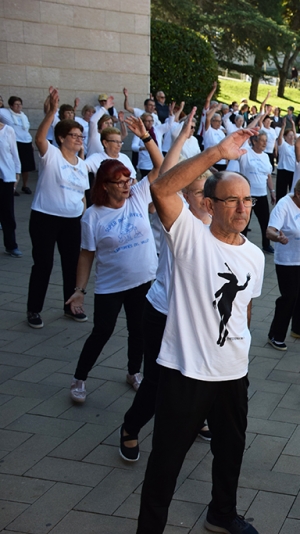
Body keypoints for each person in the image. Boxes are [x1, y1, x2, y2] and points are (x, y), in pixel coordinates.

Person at [137, 123, 264, 534]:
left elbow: (245, 309)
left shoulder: (256, 256)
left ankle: (221, 514)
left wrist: (238, 348)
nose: (243, 209)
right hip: (185, 371)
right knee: (166, 462)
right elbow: (161, 189)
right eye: (232, 201)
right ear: (209, 205)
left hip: (232, 373)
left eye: (248, 201)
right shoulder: (189, 235)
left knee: (231, 451)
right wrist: (218, 151)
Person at [119, 112, 211, 462]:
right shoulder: (176, 219)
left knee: (198, 375)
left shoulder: (214, 223)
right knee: (157, 383)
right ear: (183, 196)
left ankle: (199, 418)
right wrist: (154, 141)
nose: (208, 199)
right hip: (162, 312)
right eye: (201, 192)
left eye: (209, 193)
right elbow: (164, 175)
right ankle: (130, 426)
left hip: (197, 316)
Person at [67, 116, 163, 403]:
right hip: (111, 287)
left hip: (143, 281)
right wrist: (79, 291)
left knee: (139, 331)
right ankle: (79, 378)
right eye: (119, 182)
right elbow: (86, 255)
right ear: (104, 185)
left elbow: (160, 167)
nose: (126, 186)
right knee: (102, 332)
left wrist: (146, 137)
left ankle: (134, 372)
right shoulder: (92, 216)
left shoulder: (137, 196)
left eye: (128, 180)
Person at [26, 87, 90, 329]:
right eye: (73, 135)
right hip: (45, 218)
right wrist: (52, 112)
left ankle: (70, 306)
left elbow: (82, 196)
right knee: (43, 264)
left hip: (71, 221)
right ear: (62, 138)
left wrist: (83, 217)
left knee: (72, 265)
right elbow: (39, 139)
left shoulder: (82, 165)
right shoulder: (51, 154)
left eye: (80, 136)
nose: (78, 139)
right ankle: (34, 309)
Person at [265, 178, 300, 350]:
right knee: (289, 298)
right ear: (298, 193)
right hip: (289, 261)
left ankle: (298, 329)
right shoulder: (284, 205)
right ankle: (275, 334)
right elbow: (270, 231)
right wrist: (278, 237)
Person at [239, 131, 276, 253]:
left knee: (265, 221)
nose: (265, 143)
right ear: (254, 141)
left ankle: (266, 245)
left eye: (266, 140)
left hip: (262, 195)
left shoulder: (265, 157)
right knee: (244, 221)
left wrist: (272, 191)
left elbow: (268, 176)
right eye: (262, 140)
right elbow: (244, 134)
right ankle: (240, 244)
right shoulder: (246, 153)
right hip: (247, 195)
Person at [0, 96, 35, 195]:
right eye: (16, 104)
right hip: (15, 142)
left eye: (20, 104)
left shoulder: (23, 116)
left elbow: (25, 130)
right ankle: (13, 187)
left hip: (26, 141)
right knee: (15, 163)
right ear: (11, 106)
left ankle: (25, 186)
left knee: (26, 167)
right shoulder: (5, 112)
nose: (19, 106)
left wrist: (31, 143)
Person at [0, 120, 21, 257]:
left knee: (7, 213)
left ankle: (11, 245)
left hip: (5, 177)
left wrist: (17, 174)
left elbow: (14, 153)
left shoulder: (8, 131)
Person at [275, 117, 296, 200]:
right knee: (281, 193)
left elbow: (297, 138)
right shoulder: (283, 145)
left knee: (292, 194)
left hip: (293, 171)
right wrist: (283, 126)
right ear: (285, 137)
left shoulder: (296, 146)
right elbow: (279, 138)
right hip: (283, 170)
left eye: (292, 135)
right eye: (289, 135)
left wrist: (293, 124)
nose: (291, 137)